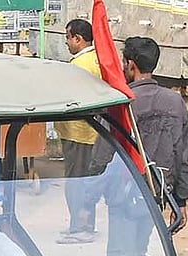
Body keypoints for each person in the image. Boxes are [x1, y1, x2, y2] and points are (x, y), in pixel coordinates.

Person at [93, 36, 188, 256]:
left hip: (123, 194)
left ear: (130, 65)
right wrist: (181, 199)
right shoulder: (175, 102)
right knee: (139, 250)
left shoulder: (120, 102)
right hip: (157, 193)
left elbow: (101, 155)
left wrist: (89, 193)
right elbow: (183, 154)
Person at [56, 18, 103, 244]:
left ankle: (81, 228)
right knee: (83, 181)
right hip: (87, 132)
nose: (66, 42)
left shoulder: (81, 64)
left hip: (79, 132)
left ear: (78, 38)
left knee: (77, 183)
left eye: (68, 37)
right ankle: (81, 224)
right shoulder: (94, 59)